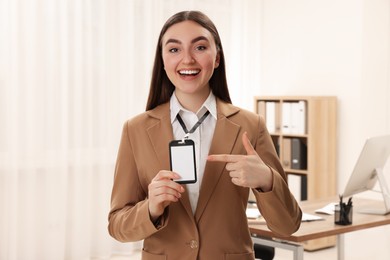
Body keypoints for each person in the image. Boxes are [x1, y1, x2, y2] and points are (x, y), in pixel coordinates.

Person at [108, 10, 302, 260]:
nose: (187, 59)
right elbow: (117, 226)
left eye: (199, 47)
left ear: (217, 57)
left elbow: (288, 225)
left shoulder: (251, 126)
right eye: (174, 49)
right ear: (163, 60)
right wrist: (151, 208)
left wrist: (266, 179)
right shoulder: (135, 130)